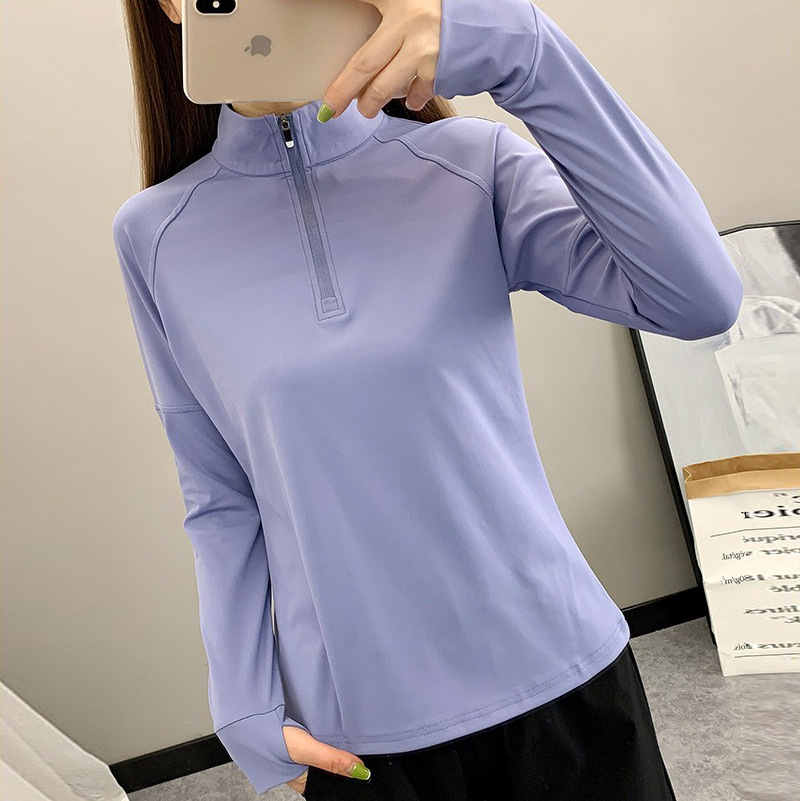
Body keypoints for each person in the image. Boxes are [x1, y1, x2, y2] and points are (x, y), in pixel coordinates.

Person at [114, 0, 743, 798]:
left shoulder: (468, 163)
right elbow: (218, 494)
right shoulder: (155, 235)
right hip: (359, 735)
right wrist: (244, 704)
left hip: (565, 687)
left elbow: (697, 298)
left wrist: (526, 52)